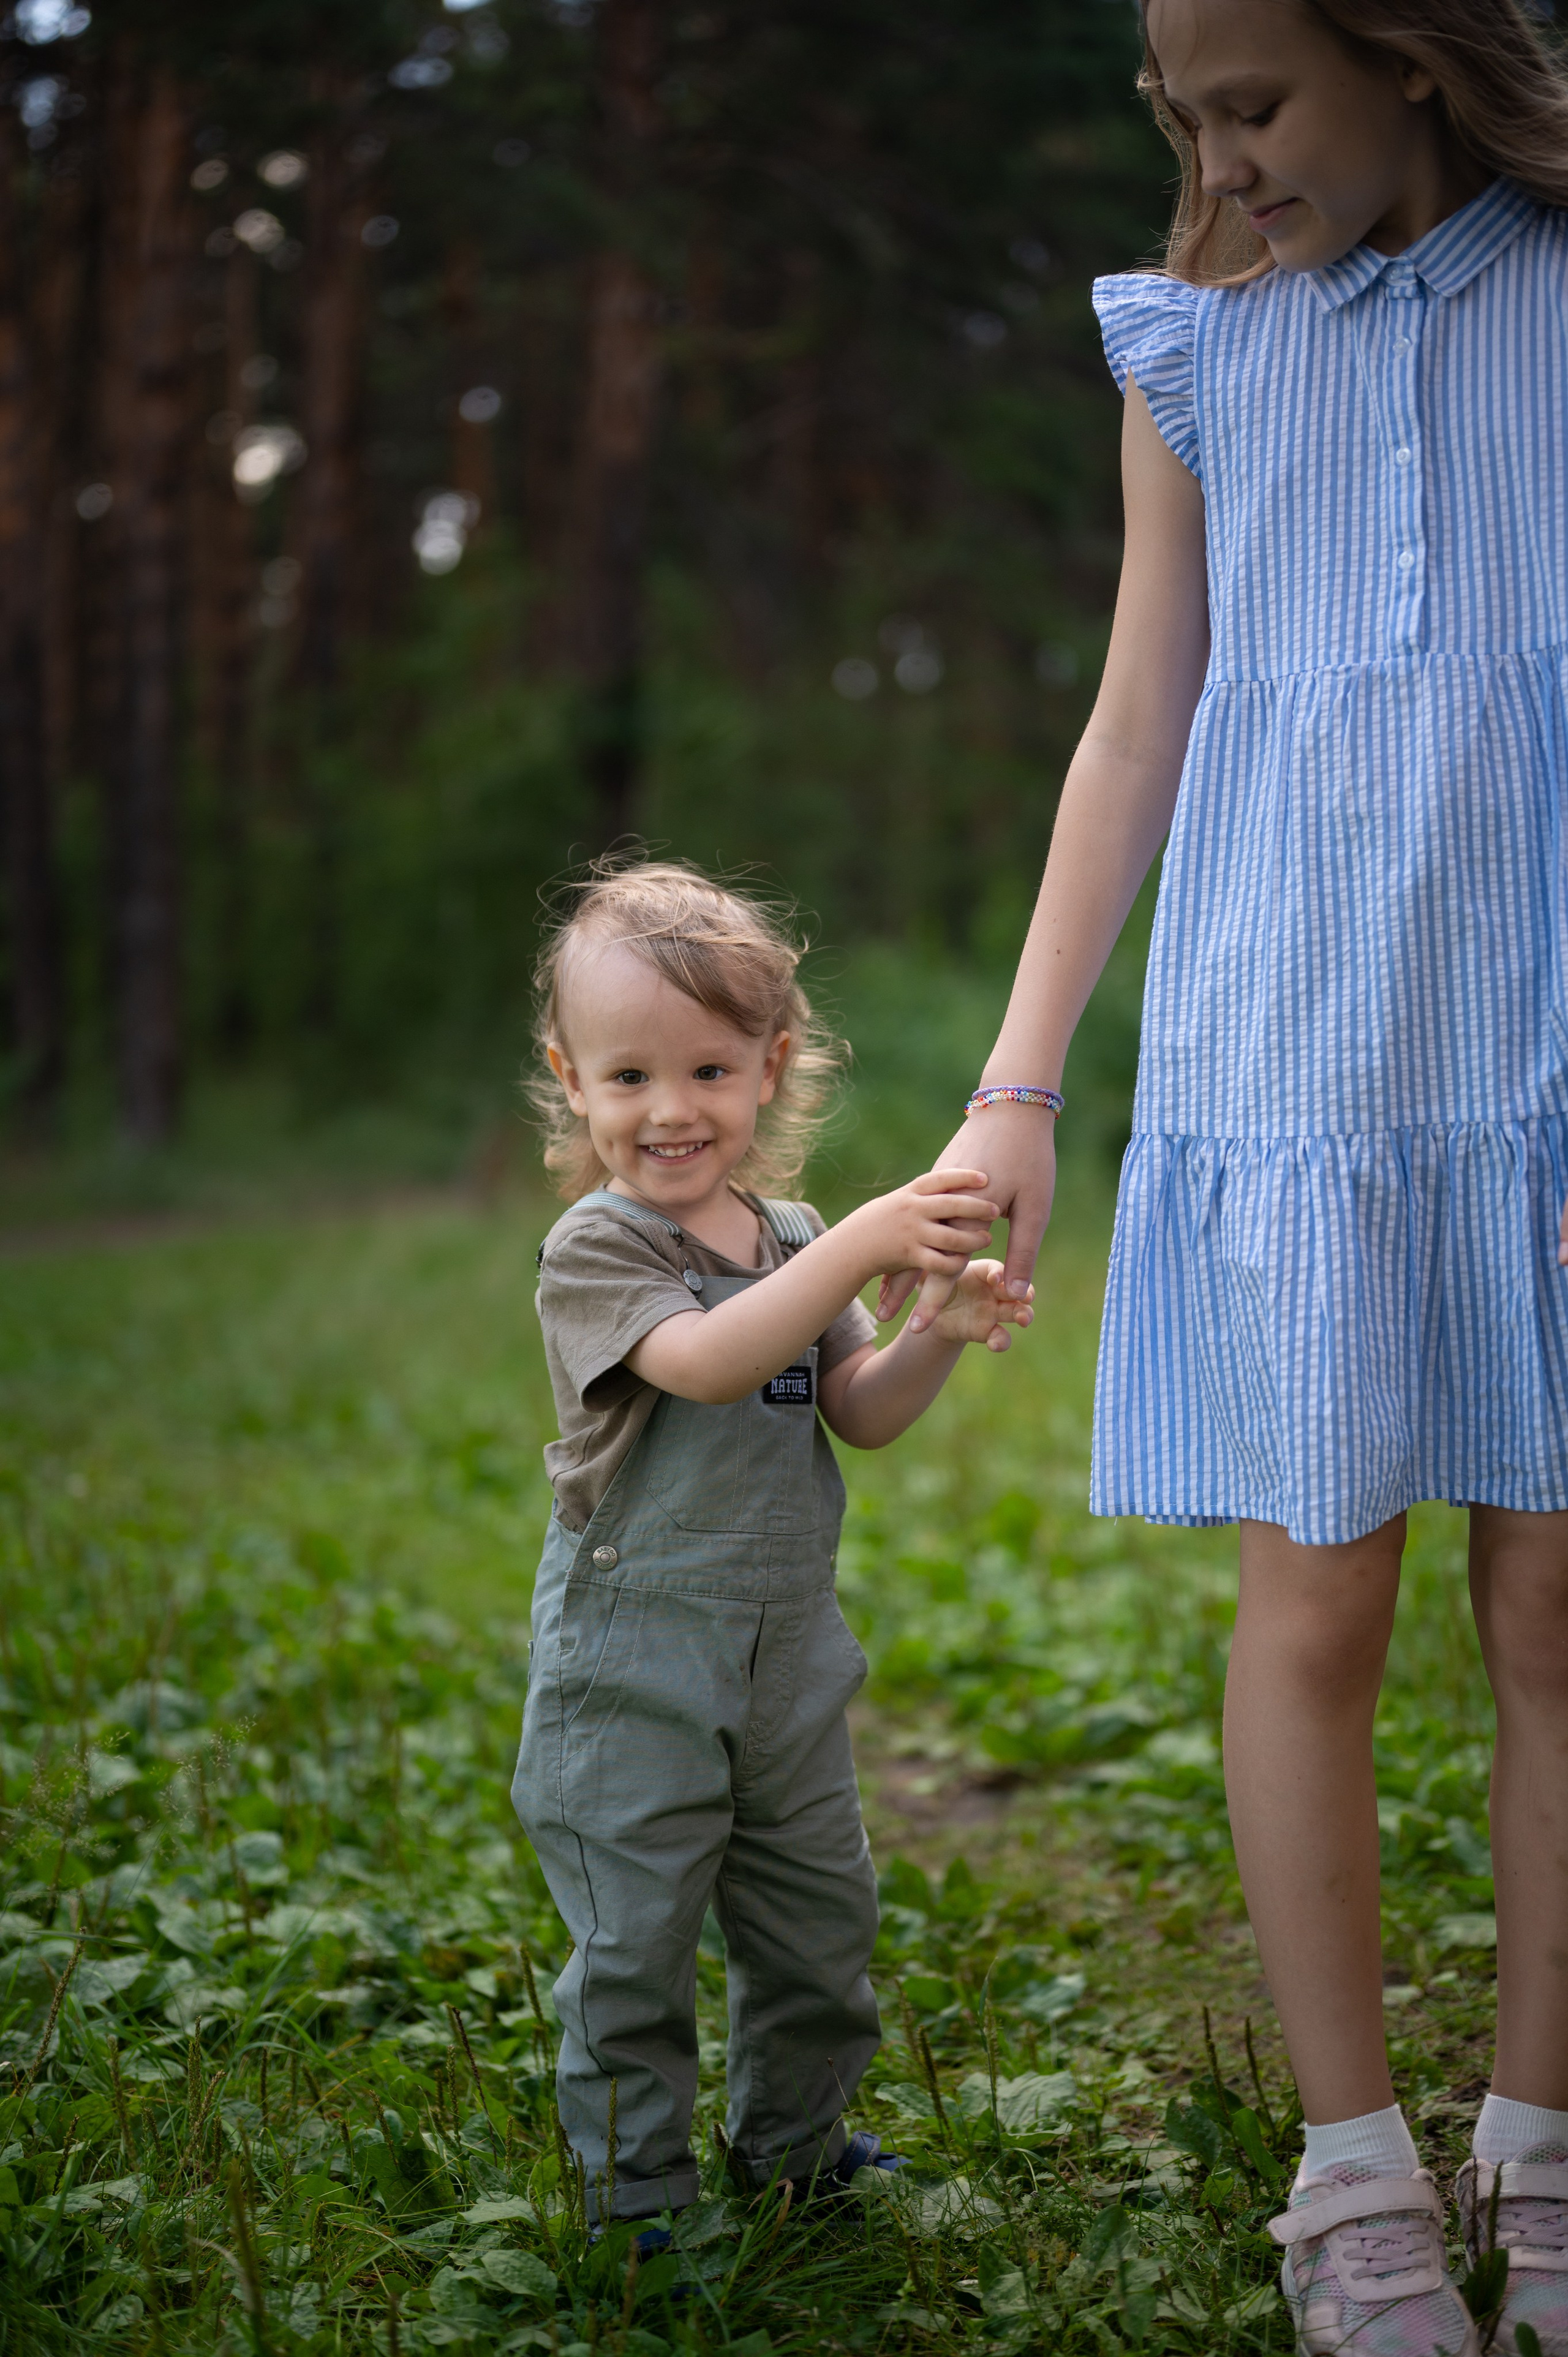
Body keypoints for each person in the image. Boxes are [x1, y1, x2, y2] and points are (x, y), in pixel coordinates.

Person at [884, 4, 1568, 2350]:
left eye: (1254, 105)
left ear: (1418, 51)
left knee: (1558, 1607)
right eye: (1178, 114)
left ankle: (1548, 2148)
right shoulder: (1191, 345)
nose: (1216, 156)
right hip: (1297, 1053)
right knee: (1320, 1607)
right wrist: (1014, 1081)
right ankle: (1354, 2172)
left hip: (1547, 1048)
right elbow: (1138, 709)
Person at [513, 858, 1033, 2241]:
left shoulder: (791, 1238)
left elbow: (852, 1413)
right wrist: (862, 1241)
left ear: (770, 1065)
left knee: (818, 1923)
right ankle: (638, 2205)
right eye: (627, 1076)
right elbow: (703, 1359)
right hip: (634, 1667)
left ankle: (793, 2151)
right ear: (572, 1078)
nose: (669, 1110)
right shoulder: (597, 1248)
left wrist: (926, 1325)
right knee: (633, 1945)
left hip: (786, 1657)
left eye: (707, 1068)